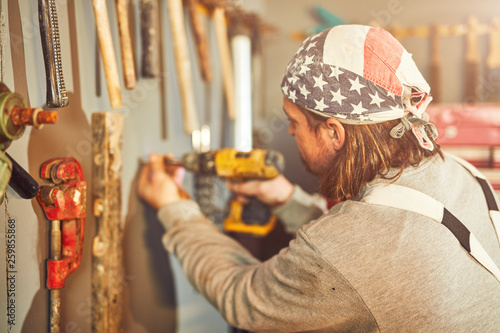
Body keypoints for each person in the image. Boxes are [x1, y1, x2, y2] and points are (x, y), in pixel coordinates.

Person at [138, 25, 500, 332]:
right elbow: (363, 251)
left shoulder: (347, 247)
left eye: (294, 122)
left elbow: (243, 297)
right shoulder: (456, 170)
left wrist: (174, 207)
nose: (291, 133)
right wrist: (284, 197)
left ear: (333, 132)